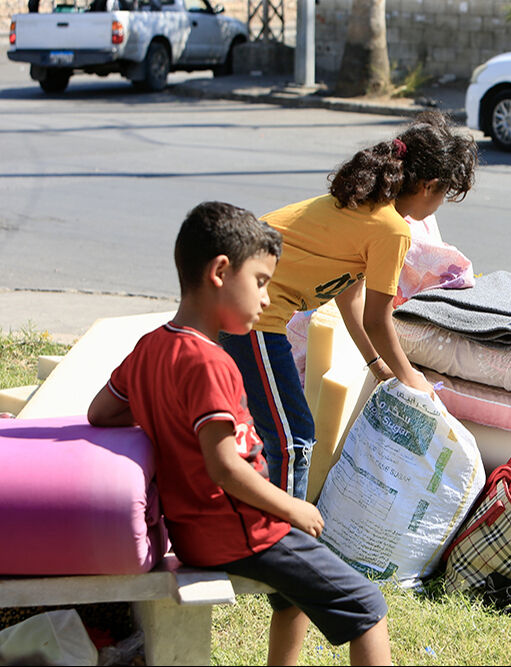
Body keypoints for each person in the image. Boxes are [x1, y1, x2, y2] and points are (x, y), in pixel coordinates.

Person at [87, 202, 391, 666]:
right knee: (367, 606)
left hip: (192, 531)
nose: (267, 300)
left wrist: (162, 421)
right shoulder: (212, 361)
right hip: (242, 532)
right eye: (261, 282)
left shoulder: (150, 348)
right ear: (221, 272)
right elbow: (225, 465)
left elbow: (101, 411)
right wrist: (292, 505)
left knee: (298, 592)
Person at [220, 110, 479, 500]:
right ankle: (283, 540)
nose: (439, 207)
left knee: (260, 423)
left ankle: (254, 518)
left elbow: (348, 294)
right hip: (250, 310)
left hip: (231, 292)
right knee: (294, 439)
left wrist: (378, 366)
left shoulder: (369, 205)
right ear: (429, 186)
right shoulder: (392, 229)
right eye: (444, 196)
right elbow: (378, 319)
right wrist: (411, 379)